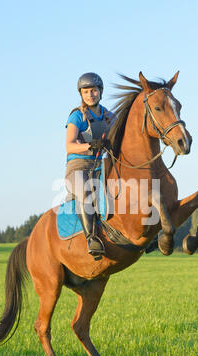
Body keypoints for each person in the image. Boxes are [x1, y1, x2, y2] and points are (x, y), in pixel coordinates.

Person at [65, 73, 115, 259]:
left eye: (93, 90)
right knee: (86, 190)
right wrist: (89, 145)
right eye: (86, 91)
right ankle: (91, 238)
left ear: (100, 92)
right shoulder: (77, 115)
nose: (90, 95)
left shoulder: (109, 116)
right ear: (81, 94)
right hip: (78, 166)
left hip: (100, 165)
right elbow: (69, 145)